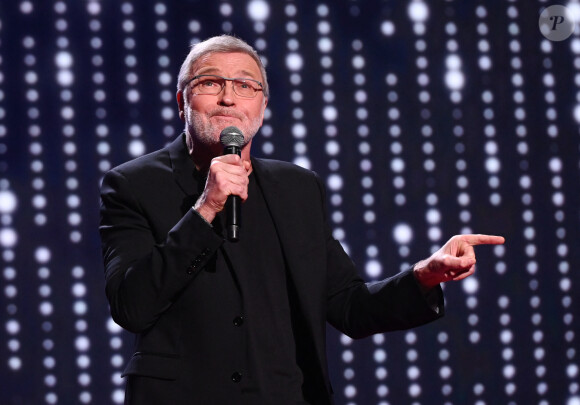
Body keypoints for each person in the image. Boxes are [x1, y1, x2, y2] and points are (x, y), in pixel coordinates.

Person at [99, 35, 504, 405]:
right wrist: (205, 210)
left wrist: (423, 276)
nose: (229, 99)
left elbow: (349, 306)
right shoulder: (133, 184)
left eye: (245, 86)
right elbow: (132, 306)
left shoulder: (297, 187)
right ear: (182, 101)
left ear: (262, 105)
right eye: (210, 83)